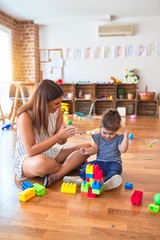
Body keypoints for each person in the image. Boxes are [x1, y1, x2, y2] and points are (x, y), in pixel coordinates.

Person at [14, 79, 91, 187]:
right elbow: (31, 151)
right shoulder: (25, 116)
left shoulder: (57, 111)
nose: (59, 106)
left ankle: (57, 174)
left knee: (86, 148)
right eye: (56, 103)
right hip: (29, 159)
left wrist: (64, 134)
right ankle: (67, 166)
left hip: (50, 153)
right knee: (42, 163)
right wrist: (58, 135)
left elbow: (61, 142)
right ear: (43, 102)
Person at [63, 108, 129, 191]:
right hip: (100, 162)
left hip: (113, 162)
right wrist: (88, 151)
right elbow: (95, 149)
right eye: (104, 133)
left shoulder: (119, 138)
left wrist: (126, 136)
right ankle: (80, 179)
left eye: (111, 134)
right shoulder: (98, 137)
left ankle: (108, 182)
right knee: (87, 166)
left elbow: (123, 149)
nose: (107, 136)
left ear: (116, 130)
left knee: (115, 169)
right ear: (100, 128)